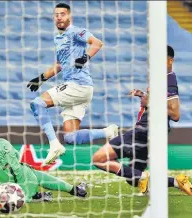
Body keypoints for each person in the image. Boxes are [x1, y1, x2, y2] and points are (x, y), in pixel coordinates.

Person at [92, 45, 192, 195]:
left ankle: (144, 176)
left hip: (145, 131)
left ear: (170, 60)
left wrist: (150, 102)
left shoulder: (169, 80)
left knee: (99, 158)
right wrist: (143, 95)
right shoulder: (160, 78)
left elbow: (175, 114)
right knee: (133, 178)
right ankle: (178, 181)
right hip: (151, 133)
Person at [27, 3, 118, 166]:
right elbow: (59, 65)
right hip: (80, 90)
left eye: (63, 14)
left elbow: (97, 43)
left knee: (37, 103)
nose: (59, 17)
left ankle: (54, 145)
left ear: (69, 16)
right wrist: (41, 78)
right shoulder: (59, 38)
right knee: (69, 137)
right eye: (56, 14)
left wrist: (86, 57)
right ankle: (108, 131)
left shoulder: (76, 32)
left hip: (78, 85)